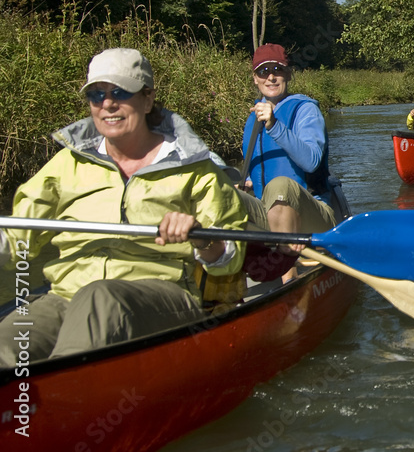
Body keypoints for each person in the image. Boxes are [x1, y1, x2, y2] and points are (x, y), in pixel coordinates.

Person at [0, 48, 248, 365]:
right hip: (65, 295)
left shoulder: (195, 170)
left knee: (100, 299)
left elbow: (229, 258)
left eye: (120, 92)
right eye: (96, 94)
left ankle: (65, 400)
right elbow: (17, 237)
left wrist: (202, 238)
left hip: (165, 297)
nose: (107, 104)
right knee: (7, 343)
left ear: (147, 99)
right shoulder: (66, 164)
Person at [240, 43, 341, 283]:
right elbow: (259, 173)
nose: (271, 76)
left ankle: (288, 281)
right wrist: (245, 185)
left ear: (288, 74)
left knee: (281, 187)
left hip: (314, 216)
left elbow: (312, 162)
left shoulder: (305, 110)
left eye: (278, 69)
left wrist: (275, 125)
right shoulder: (252, 120)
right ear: (255, 78)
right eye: (264, 72)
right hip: (269, 214)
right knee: (221, 196)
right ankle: (226, 290)